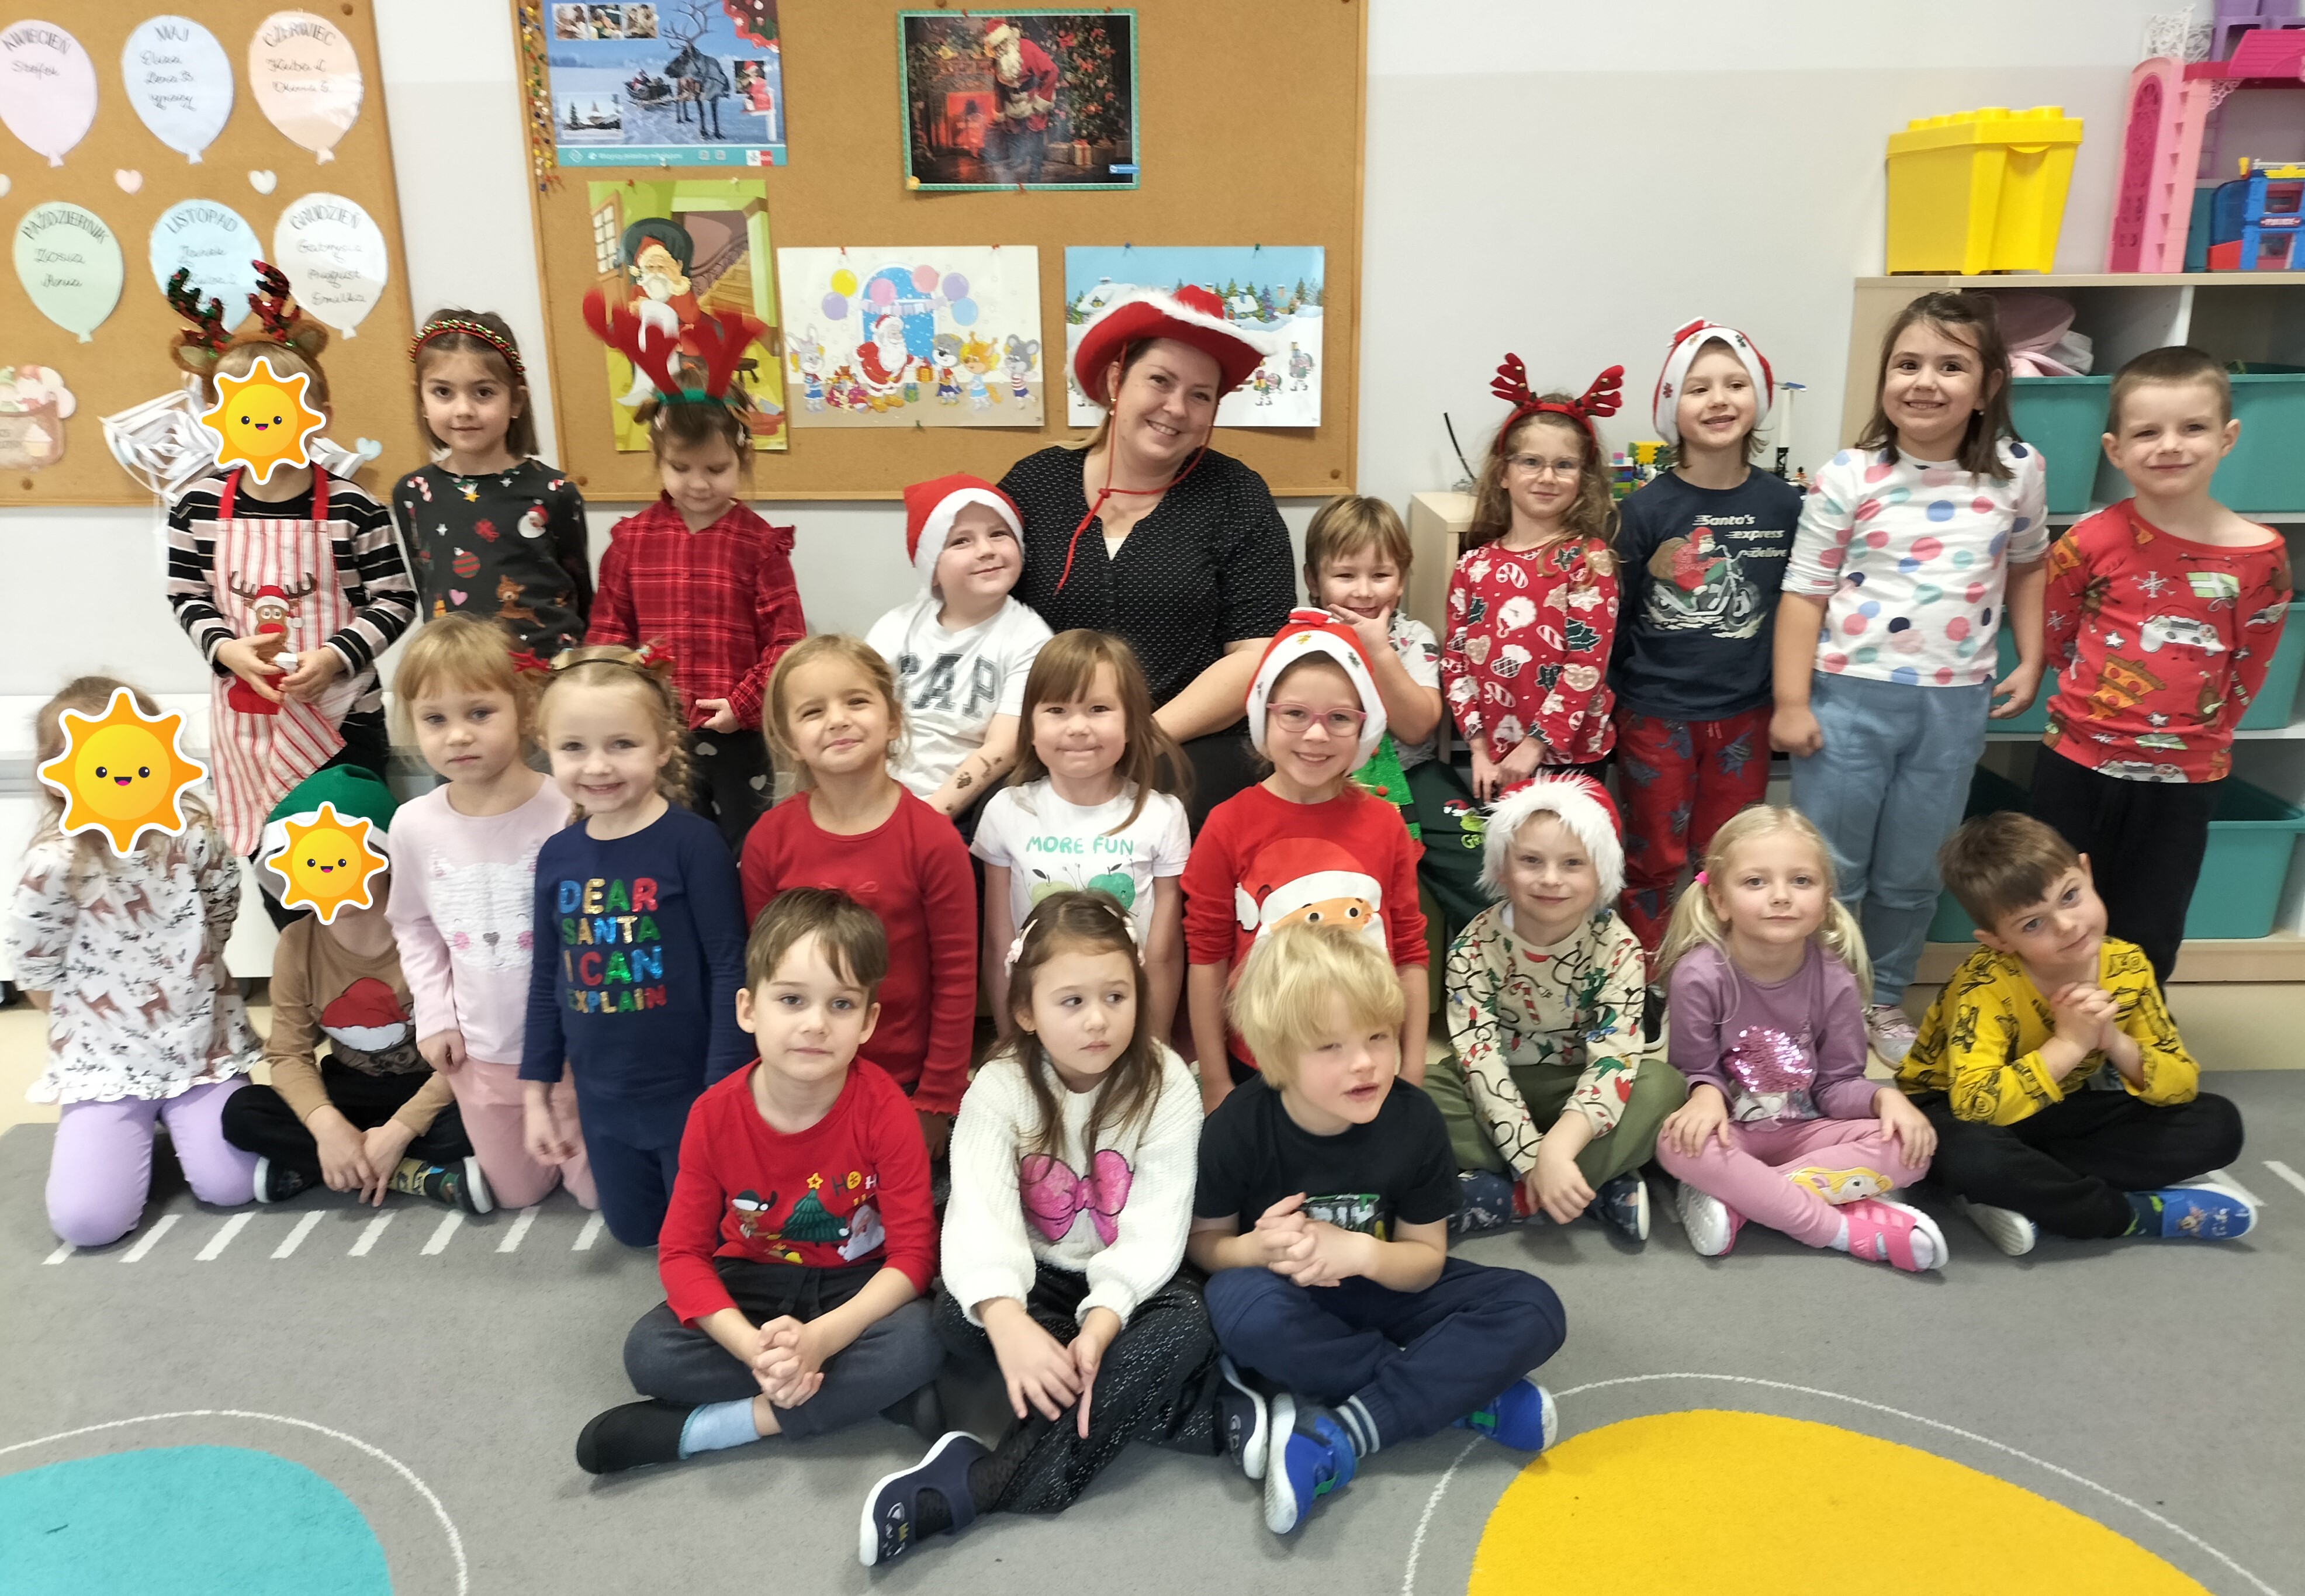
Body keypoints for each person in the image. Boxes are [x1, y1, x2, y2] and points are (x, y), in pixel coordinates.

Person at [861, 891, 1223, 1567]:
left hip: (1129, 1284)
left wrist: (1102, 1325)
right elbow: (980, 1215)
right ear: (1026, 1010)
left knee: (1190, 1321)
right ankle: (1202, 1417)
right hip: (1034, 1276)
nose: (1098, 1019)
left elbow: (1156, 1227)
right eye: (1071, 1001)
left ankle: (980, 1484)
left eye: (1116, 995)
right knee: (957, 1316)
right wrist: (1006, 1321)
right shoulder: (997, 1087)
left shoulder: (1168, 1081)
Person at [1190, 923, 1566, 1538]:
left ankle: (1347, 1427)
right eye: (1330, 1046)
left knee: (1535, 1306)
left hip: (1386, 1280)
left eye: (1377, 1036)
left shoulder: (1414, 1119)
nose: (1364, 1062)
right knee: (1238, 1307)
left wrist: (1362, 1252)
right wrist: (1252, 1248)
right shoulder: (1238, 1126)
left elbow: (1424, 1260)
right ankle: (1460, 1392)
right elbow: (1205, 1245)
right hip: (1288, 1296)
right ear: (1277, 1055)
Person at [1771, 291, 2049, 1062]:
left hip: (1952, 708)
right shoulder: (1849, 475)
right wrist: (1790, 700)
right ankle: (1819, 995)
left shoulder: (2018, 472)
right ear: (1884, 377)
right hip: (1846, 700)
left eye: (1950, 366)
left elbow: (2029, 565)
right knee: (1831, 866)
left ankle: (1883, 995)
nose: (1924, 382)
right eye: (1907, 364)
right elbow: (1803, 591)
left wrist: (2032, 658)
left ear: (1988, 386)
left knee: (1913, 869)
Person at [576, 889, 942, 1474]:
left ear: (868, 1021)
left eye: (842, 1004)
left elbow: (913, 1257)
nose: (815, 1024)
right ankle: (873, 1396)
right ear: (748, 1009)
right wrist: (752, 1348)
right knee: (648, 1351)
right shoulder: (712, 1114)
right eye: (792, 999)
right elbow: (681, 1255)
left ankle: (719, 1427)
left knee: (925, 1335)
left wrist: (821, 1339)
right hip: (751, 1279)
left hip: (854, 1282)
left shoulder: (886, 1110)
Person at [2030, 347, 2293, 985]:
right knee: (2046, 906)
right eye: (2147, 432)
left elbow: (2250, 663)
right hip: (2075, 760)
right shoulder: (2088, 540)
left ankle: (2131, 1022)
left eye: (2192, 428)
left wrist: (2200, 732)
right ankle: (2048, 1019)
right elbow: (2059, 630)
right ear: (2115, 449)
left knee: (2150, 918)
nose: (2170, 446)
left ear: (2227, 437)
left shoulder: (2260, 557)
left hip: (2184, 775)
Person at [162, 265, 416, 903]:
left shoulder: (355, 507)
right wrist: (226, 648)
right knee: (280, 877)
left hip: (344, 721)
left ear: (317, 416)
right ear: (218, 418)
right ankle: (301, 964)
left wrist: (334, 657)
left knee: (354, 878)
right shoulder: (195, 507)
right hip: (246, 727)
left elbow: (395, 598)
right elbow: (186, 595)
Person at [1000, 286, 1296, 824]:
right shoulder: (1036, 485)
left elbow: (1255, 655)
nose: (1176, 408)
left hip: (1186, 743)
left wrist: (1140, 740)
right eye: (1160, 380)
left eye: (1200, 395)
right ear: (1117, 381)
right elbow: (981, 615)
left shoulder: (1236, 496)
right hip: (1050, 739)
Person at [1898, 812, 2253, 1256]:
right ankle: (2123, 1214)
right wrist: (2068, 1044)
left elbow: (2181, 1083)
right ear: (1998, 941)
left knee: (2217, 1124)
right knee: (1972, 1156)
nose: (2067, 925)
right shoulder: (1983, 984)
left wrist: (2114, 1041)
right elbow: (1976, 1105)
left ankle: (2032, 1190)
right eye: (2032, 924)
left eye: (2070, 896)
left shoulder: (2128, 964)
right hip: (1948, 1107)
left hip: (2052, 1106)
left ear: (2086, 871)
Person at [5, 678, 263, 1247]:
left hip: (201, 1048)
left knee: (235, 1186)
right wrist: (94, 1027)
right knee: (87, 1223)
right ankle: (127, 1125)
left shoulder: (194, 839)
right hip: (107, 1062)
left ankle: (172, 1117)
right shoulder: (56, 862)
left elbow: (221, 910)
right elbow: (35, 963)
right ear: (60, 775)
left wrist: (194, 984)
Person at [522, 647, 750, 1245]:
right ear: (547, 748)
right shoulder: (557, 855)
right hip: (601, 1097)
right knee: (633, 1232)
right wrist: (536, 1095)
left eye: (622, 744)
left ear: (664, 745)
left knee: (704, 1238)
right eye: (574, 747)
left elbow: (731, 966)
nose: (598, 765)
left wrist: (723, 1088)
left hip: (689, 1090)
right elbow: (546, 977)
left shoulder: (694, 844)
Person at [1653, 806, 1946, 1271]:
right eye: (1756, 881)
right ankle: (1838, 1229)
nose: (1781, 896)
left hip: (1808, 1131)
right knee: (1675, 1144)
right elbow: (1692, 1070)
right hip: (1731, 1134)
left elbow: (1837, 1084)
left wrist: (1884, 1100)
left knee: (1908, 1148)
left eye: (1801, 881)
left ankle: (1744, 1198)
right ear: (1720, 901)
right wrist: (1705, 1092)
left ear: (1826, 899)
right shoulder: (1698, 975)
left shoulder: (1836, 978)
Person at [385, 616, 596, 1212]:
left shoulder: (570, 808)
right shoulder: (413, 825)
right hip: (480, 1056)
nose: (458, 735)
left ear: (524, 710)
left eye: (479, 712)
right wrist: (434, 1017)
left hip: (572, 1054)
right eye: (435, 718)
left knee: (597, 1196)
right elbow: (414, 925)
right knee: (516, 1195)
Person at [1416, 776, 1683, 1243]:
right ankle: (1587, 1187)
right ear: (1502, 868)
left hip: (1578, 1085)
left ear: (1600, 874)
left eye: (1573, 863)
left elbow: (1613, 1059)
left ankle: (1507, 1195)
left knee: (1663, 1087)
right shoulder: (1472, 946)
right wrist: (1533, 1158)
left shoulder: (1618, 946)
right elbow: (1480, 1061)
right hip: (1496, 1089)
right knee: (1416, 1096)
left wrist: (1559, 1147)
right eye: (1531, 861)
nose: (1551, 879)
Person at [1182, 611, 1427, 1116]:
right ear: (1264, 716)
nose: (1316, 735)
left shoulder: (1386, 825)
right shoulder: (1227, 825)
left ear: (1364, 727)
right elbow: (1207, 958)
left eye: (1339, 718)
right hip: (1259, 1067)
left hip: (1364, 1069)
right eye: (1295, 713)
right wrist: (1216, 1081)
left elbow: (1408, 951)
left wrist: (1413, 1069)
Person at [584, 296, 807, 849]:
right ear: (658, 457)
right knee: (665, 841)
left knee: (744, 846)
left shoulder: (760, 545)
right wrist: (619, 705)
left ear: (743, 460)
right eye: (681, 467)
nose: (699, 483)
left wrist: (743, 703)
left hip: (737, 736)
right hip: (651, 734)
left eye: (717, 468)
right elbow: (609, 635)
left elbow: (786, 641)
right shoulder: (632, 542)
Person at [1611, 321, 1802, 961]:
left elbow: (1799, 608)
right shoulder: (1642, 510)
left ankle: (1717, 972)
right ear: (1672, 407)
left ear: (1758, 398)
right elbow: (1618, 617)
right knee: (1652, 859)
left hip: (1744, 714)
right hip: (1655, 715)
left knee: (1730, 858)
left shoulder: (1786, 507)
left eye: (1734, 384)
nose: (1718, 399)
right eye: (1698, 388)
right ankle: (1646, 975)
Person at [742, 637, 976, 1154]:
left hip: (905, 1079)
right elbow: (762, 975)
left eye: (856, 701)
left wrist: (937, 1097)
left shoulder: (933, 840)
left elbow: (958, 976)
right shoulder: (768, 842)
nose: (838, 719)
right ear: (789, 740)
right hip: (802, 1072)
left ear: (893, 720)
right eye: (813, 711)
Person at [221, 770, 490, 1213]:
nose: (327, 872)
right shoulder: (297, 943)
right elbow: (288, 1054)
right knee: (243, 1111)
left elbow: (472, 1045)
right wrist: (327, 1127)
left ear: (386, 858)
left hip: (434, 1084)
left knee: (488, 1108)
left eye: (342, 857)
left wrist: (401, 1129)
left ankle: (323, 1167)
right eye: (310, 861)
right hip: (351, 1090)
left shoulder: (436, 932)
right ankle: (412, 1174)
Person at [973, 629, 1190, 1040]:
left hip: (1127, 1026)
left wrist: (1155, 1047)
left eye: (1098, 708)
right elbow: (999, 946)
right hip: (1039, 1027)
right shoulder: (1006, 810)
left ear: (1132, 724)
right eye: (1056, 709)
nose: (1077, 727)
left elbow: (1163, 954)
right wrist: (1009, 1045)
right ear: (1030, 726)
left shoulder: (1162, 815)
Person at [1443, 360, 1626, 801]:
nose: (1547, 477)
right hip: (1494, 759)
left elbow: (1586, 665)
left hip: (1570, 759)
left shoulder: (1588, 561)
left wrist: (1535, 745)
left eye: (1564, 465)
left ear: (1583, 479)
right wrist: (1478, 747)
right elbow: (1455, 664)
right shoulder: (1472, 566)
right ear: (1503, 474)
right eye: (1531, 462)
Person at [1302, 496, 1470, 923]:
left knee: (1481, 858)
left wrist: (1379, 650)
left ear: (1401, 581)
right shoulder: (1300, 639)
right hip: (1327, 780)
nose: (1363, 591)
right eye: (1345, 575)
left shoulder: (1413, 637)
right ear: (1314, 579)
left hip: (1413, 773)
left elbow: (1417, 728)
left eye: (1380, 575)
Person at [394, 310, 591, 657]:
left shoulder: (556, 492)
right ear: (421, 400)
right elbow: (428, 586)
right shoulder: (413, 492)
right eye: (443, 392)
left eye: (483, 392)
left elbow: (581, 593)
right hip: (459, 670)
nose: (463, 410)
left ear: (516, 401)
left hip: (545, 670)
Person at [866, 475, 1051, 828]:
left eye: (999, 534)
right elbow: (860, 714)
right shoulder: (896, 627)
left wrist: (928, 817)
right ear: (932, 567)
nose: (986, 550)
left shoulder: (1030, 638)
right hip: (874, 796)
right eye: (961, 541)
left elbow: (1003, 748)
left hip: (962, 810)